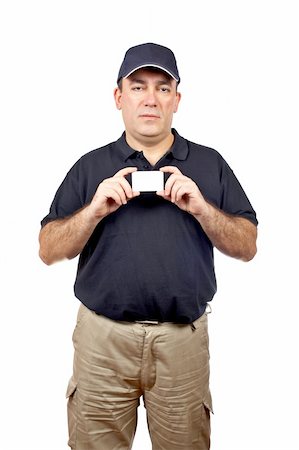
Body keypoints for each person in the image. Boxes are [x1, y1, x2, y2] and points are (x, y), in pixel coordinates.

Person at [39, 42, 258, 450]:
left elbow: (248, 245)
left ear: (177, 98)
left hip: (183, 343)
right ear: (119, 97)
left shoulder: (210, 164)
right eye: (138, 87)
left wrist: (202, 207)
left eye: (162, 87)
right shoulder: (90, 167)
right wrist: (93, 210)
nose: (151, 99)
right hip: (101, 342)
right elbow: (48, 249)